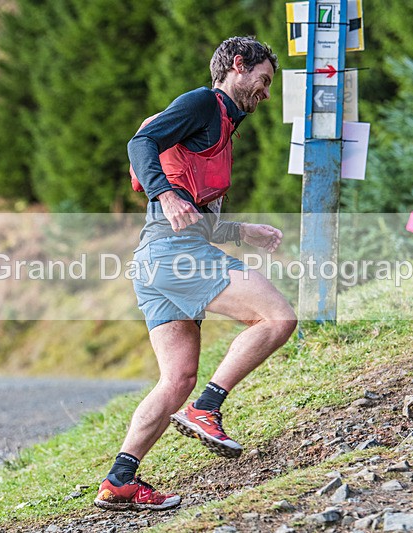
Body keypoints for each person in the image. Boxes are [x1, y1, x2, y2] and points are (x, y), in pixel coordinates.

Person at [94, 36, 297, 512]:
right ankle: (207, 409)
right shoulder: (206, 103)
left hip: (154, 259)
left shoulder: (222, 124)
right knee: (277, 319)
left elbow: (191, 211)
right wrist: (163, 194)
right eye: (264, 80)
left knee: (176, 377)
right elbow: (140, 142)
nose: (266, 93)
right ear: (238, 65)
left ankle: (120, 480)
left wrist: (239, 229)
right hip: (175, 253)